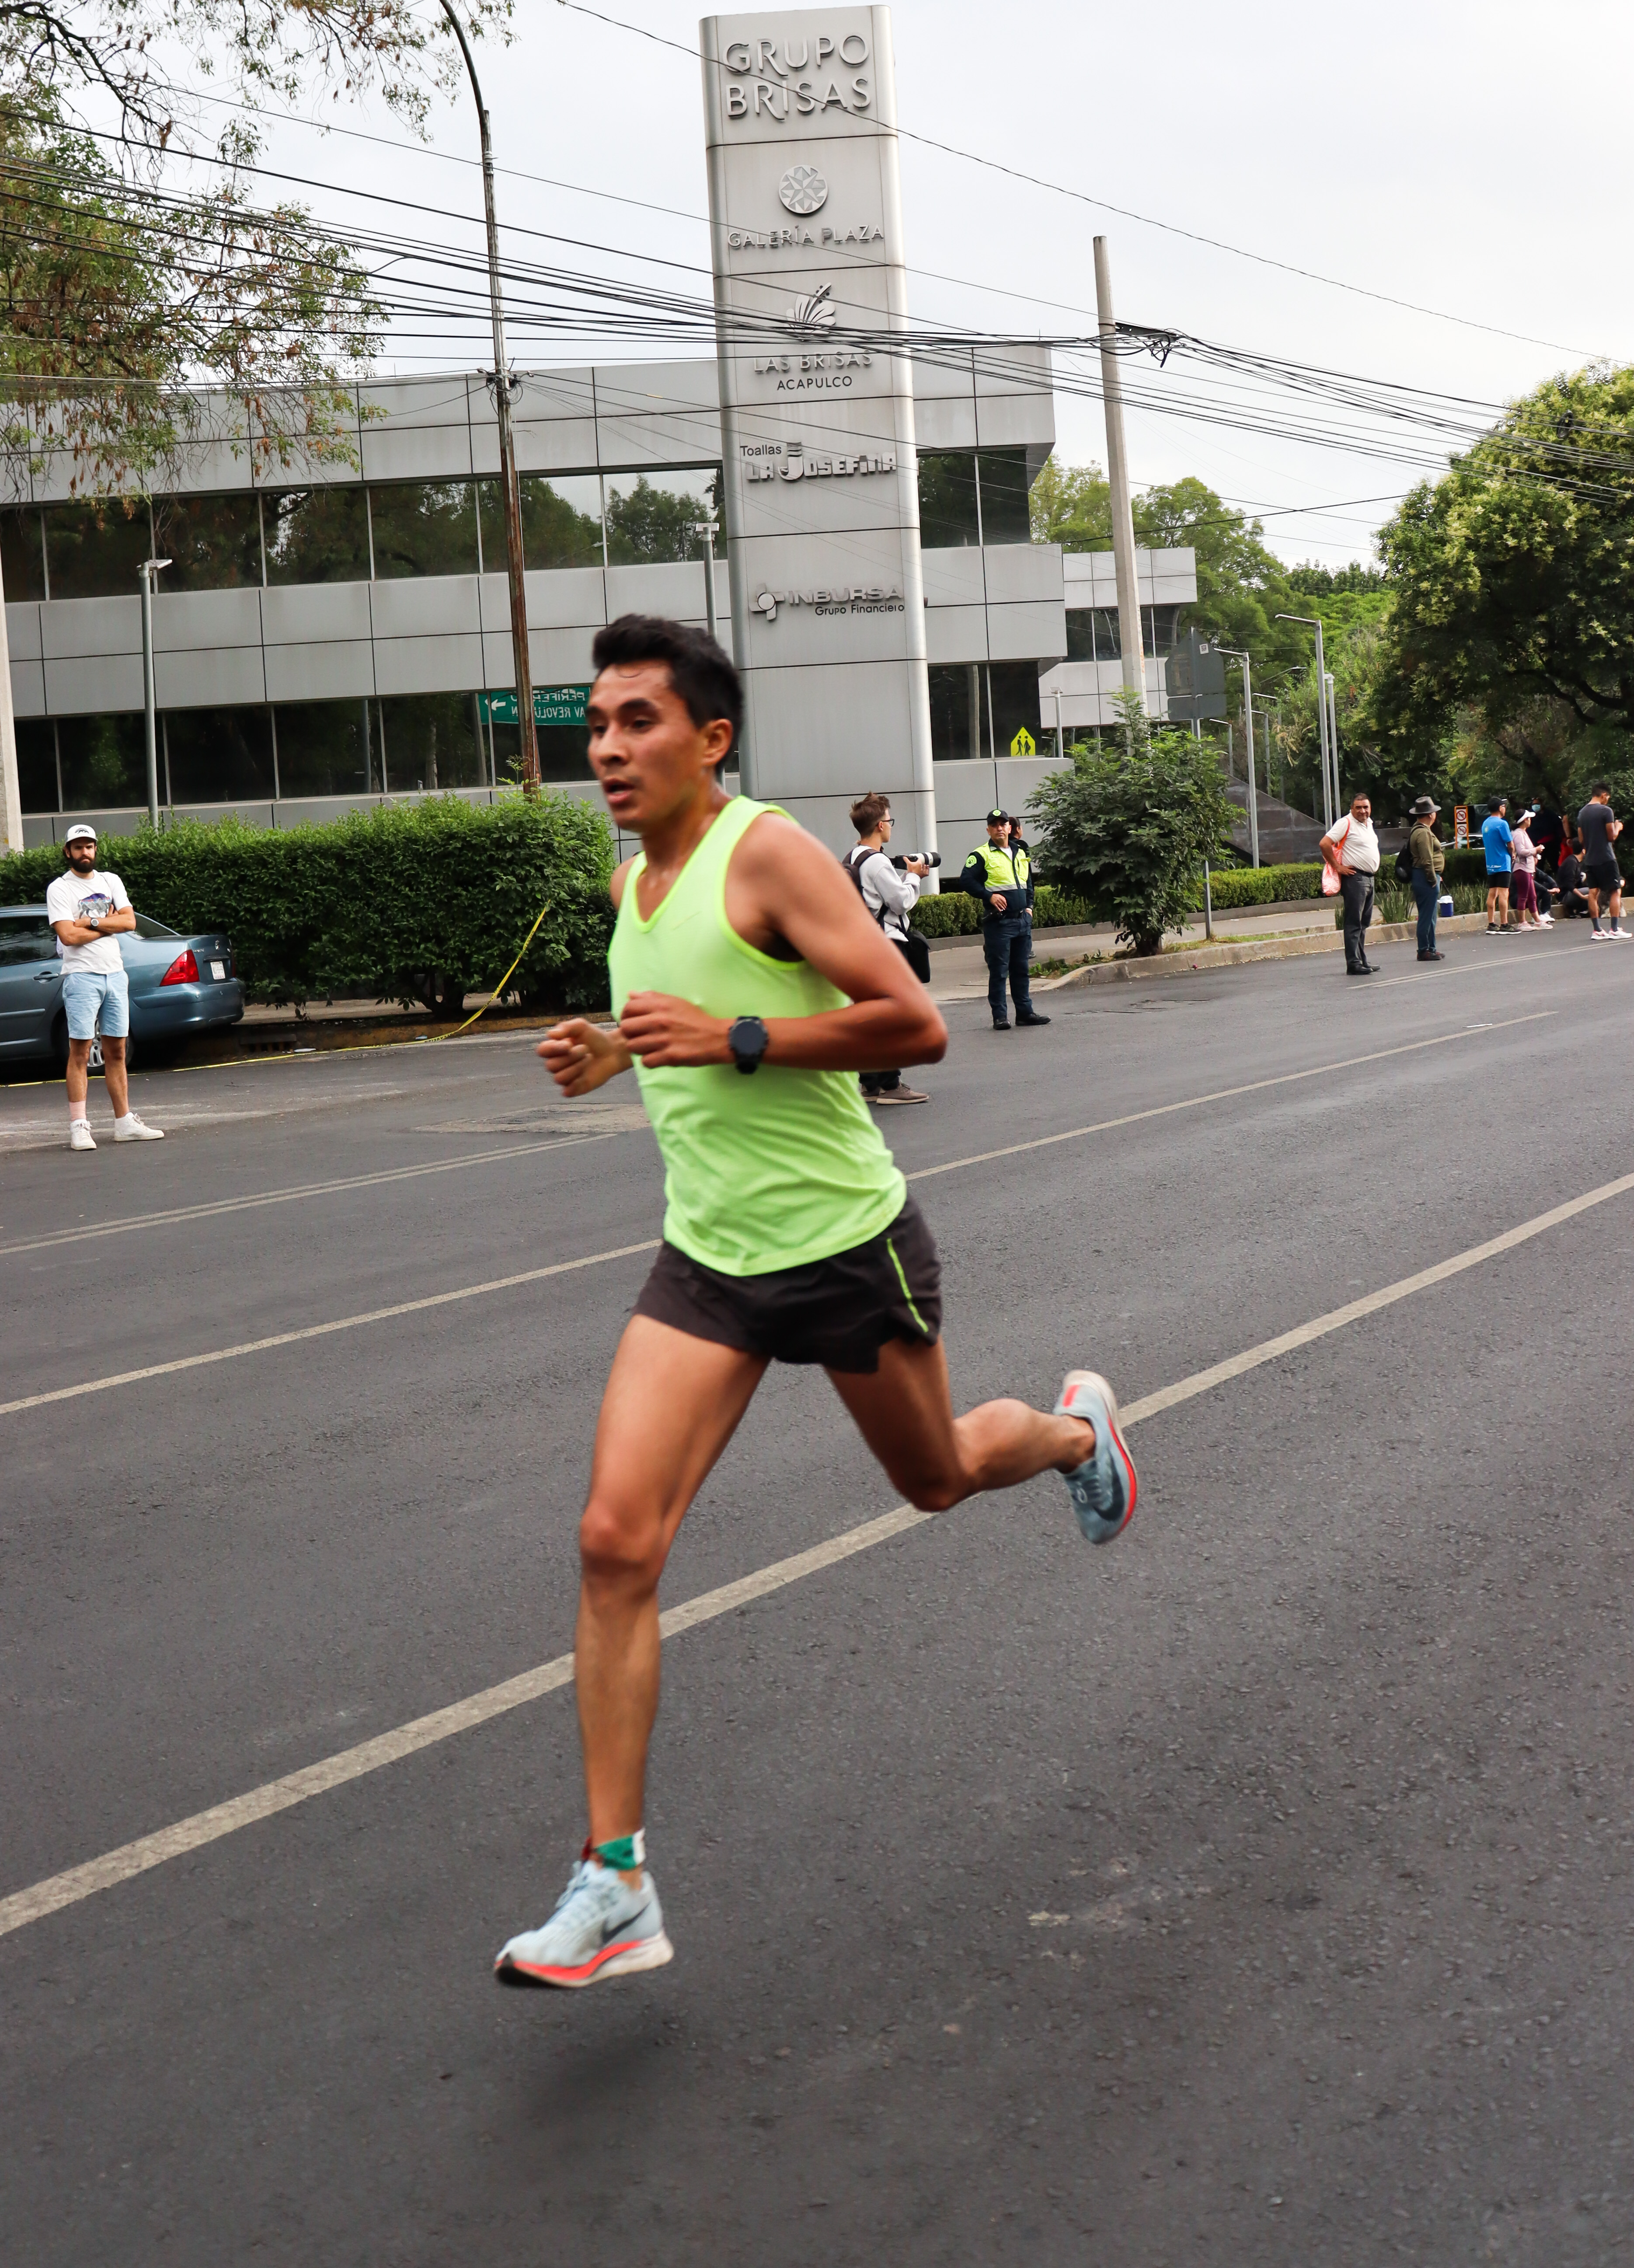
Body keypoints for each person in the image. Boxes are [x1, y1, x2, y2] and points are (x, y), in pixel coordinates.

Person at [491, 616, 1136, 1992]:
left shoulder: (768, 853)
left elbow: (914, 1023)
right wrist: (616, 1050)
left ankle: (1080, 1433)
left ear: (711, 738)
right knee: (614, 1540)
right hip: (709, 1260)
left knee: (938, 1476)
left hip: (847, 1246)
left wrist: (733, 1037)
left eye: (638, 722)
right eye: (596, 726)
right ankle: (615, 1884)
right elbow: (686, 1024)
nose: (607, 749)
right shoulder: (630, 883)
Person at [44, 824, 164, 1152]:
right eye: (78, 847)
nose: (85, 852)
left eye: (89, 846)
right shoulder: (60, 888)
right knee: (80, 1053)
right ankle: (79, 1127)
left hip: (115, 974)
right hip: (82, 976)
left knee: (117, 1052)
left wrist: (91, 922)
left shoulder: (111, 881)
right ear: (68, 852)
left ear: (96, 849)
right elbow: (68, 936)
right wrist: (109, 926)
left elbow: (130, 922)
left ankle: (124, 1123)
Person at [842, 791, 931, 1106]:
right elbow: (901, 901)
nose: (891, 826)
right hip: (886, 945)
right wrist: (913, 877)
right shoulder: (878, 862)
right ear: (880, 825)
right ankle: (892, 1085)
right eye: (889, 821)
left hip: (861, 945)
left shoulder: (853, 856)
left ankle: (870, 1084)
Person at [962, 807, 1050, 1031]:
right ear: (989, 830)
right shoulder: (981, 855)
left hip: (1022, 921)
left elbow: (1028, 882)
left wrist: (1029, 908)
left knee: (1021, 970)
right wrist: (989, 896)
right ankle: (1000, 1017)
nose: (999, 828)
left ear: (1010, 828)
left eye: (1003, 824)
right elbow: (966, 880)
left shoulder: (1020, 851)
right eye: (995, 825)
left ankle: (1025, 1013)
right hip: (999, 923)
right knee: (999, 971)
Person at [1319, 790, 1381, 975]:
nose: (1363, 811)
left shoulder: (1368, 824)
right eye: (1358, 807)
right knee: (1354, 923)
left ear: (1370, 808)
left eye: (1366, 807)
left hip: (1369, 878)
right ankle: (1354, 964)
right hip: (1356, 879)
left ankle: (1362, 961)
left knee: (1363, 923)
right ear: (1352, 809)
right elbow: (1324, 843)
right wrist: (1338, 867)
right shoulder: (1345, 823)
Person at [1577, 785, 1627, 939]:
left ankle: (1597, 930)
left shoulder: (1582, 813)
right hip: (1606, 857)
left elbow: (1581, 840)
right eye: (1608, 798)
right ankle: (1614, 929)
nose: (1607, 801)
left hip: (1590, 859)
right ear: (1604, 795)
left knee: (1593, 893)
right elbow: (1611, 837)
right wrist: (1618, 827)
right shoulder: (1606, 811)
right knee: (1616, 890)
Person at [1407, 795, 1446, 961]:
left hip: (1426, 876)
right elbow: (1427, 859)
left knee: (1431, 916)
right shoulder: (1423, 833)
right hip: (1425, 877)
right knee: (1426, 916)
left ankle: (1431, 948)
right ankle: (1424, 949)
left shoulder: (1422, 830)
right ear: (1431, 815)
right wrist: (1432, 879)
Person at [1508, 809, 1548, 929]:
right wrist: (1535, 850)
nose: (1530, 820)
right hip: (1522, 868)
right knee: (1524, 896)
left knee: (1533, 896)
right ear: (1525, 820)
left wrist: (1536, 854)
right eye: (1529, 818)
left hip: (1528, 868)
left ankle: (1537, 921)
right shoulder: (1518, 834)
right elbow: (1521, 852)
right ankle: (1522, 922)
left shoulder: (1523, 833)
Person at [1481, 799, 1515, 932]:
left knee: (1492, 893)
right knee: (1504, 893)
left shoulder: (1485, 823)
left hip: (1491, 863)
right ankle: (1504, 924)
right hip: (1503, 862)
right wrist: (1512, 854)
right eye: (1504, 806)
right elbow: (1510, 845)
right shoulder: (1502, 824)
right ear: (1500, 808)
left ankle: (1491, 924)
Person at [1556, 834, 1593, 919]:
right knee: (1594, 890)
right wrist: (1582, 897)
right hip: (1565, 896)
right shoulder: (1572, 862)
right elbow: (1569, 885)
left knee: (1593, 888)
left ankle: (1583, 909)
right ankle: (1570, 907)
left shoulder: (1577, 862)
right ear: (1583, 851)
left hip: (1571, 894)